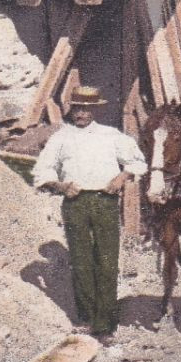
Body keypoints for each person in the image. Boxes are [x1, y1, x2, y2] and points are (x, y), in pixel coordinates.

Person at [30, 86, 147, 339]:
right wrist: (60, 186)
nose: (81, 113)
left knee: (106, 262)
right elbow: (43, 170)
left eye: (87, 109)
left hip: (105, 201)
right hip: (76, 203)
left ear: (95, 110)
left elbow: (138, 162)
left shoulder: (111, 135)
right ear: (71, 109)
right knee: (81, 262)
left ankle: (105, 324)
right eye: (77, 108)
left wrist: (122, 177)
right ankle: (86, 318)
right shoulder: (61, 137)